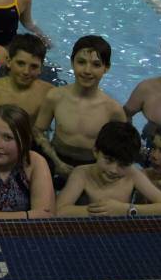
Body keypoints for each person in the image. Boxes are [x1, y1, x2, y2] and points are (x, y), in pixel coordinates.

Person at [34, 35, 126, 182]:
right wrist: (56, 162)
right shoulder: (55, 97)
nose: (87, 70)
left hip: (93, 169)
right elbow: (38, 131)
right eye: (81, 62)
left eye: (96, 65)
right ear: (72, 63)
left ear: (106, 68)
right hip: (56, 159)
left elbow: (122, 150)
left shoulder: (113, 110)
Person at [56, 121, 161, 217]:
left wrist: (125, 209)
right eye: (108, 160)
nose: (114, 170)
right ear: (95, 152)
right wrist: (102, 212)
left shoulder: (133, 174)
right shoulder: (82, 174)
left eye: (123, 164)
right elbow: (59, 211)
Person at [0, 34, 52, 121]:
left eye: (34, 66)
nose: (26, 71)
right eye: (20, 63)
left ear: (40, 68)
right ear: (8, 62)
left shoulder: (49, 94)